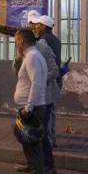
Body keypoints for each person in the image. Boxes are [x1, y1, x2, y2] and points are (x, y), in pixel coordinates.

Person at [13, 29, 49, 174]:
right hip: (31, 107)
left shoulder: (33, 56)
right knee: (31, 149)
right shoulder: (30, 56)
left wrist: (28, 108)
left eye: (16, 42)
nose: (15, 45)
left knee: (34, 151)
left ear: (21, 41)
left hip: (32, 109)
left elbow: (36, 83)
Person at [31, 14, 62, 149]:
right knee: (52, 111)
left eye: (38, 25)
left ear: (44, 27)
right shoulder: (56, 39)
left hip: (47, 79)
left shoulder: (42, 41)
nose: (36, 28)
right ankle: (52, 138)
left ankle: (47, 140)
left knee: (45, 114)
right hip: (56, 78)